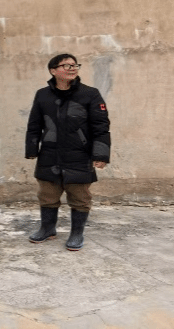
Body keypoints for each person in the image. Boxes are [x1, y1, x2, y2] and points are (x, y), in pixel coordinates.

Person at [25, 53, 110, 251]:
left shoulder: (90, 94)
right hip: (50, 154)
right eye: (66, 65)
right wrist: (32, 148)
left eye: (75, 65)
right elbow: (34, 124)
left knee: (80, 197)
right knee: (47, 194)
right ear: (53, 71)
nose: (72, 68)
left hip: (79, 154)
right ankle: (47, 229)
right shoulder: (42, 95)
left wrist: (100, 154)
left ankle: (77, 233)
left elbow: (101, 126)